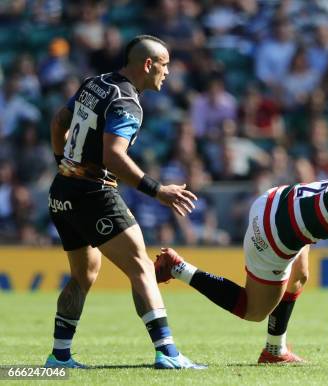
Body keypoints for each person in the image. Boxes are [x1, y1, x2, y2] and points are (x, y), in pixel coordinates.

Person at [45, 35, 205, 369]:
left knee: (83, 274)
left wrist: (65, 164)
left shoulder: (95, 84)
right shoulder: (127, 102)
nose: (168, 72)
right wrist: (157, 190)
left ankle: (59, 357)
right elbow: (113, 157)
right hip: (94, 194)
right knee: (141, 267)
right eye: (165, 65)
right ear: (148, 64)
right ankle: (168, 353)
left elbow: (58, 122)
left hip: (62, 191)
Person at [154, 173, 328, 363]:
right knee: (253, 310)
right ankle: (177, 268)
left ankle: (275, 350)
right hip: (273, 231)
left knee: (299, 277)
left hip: (277, 201)